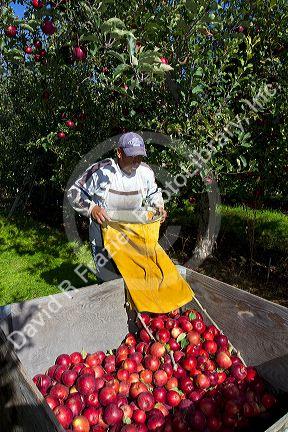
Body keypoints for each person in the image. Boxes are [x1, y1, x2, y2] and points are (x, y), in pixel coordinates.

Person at [67, 132, 167, 282]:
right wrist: (92, 209)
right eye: (132, 156)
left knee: (134, 282)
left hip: (133, 237)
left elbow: (153, 193)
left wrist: (159, 207)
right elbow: (74, 192)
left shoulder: (145, 172)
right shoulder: (101, 170)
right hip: (103, 240)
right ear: (119, 153)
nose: (136, 161)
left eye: (139, 157)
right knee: (110, 284)